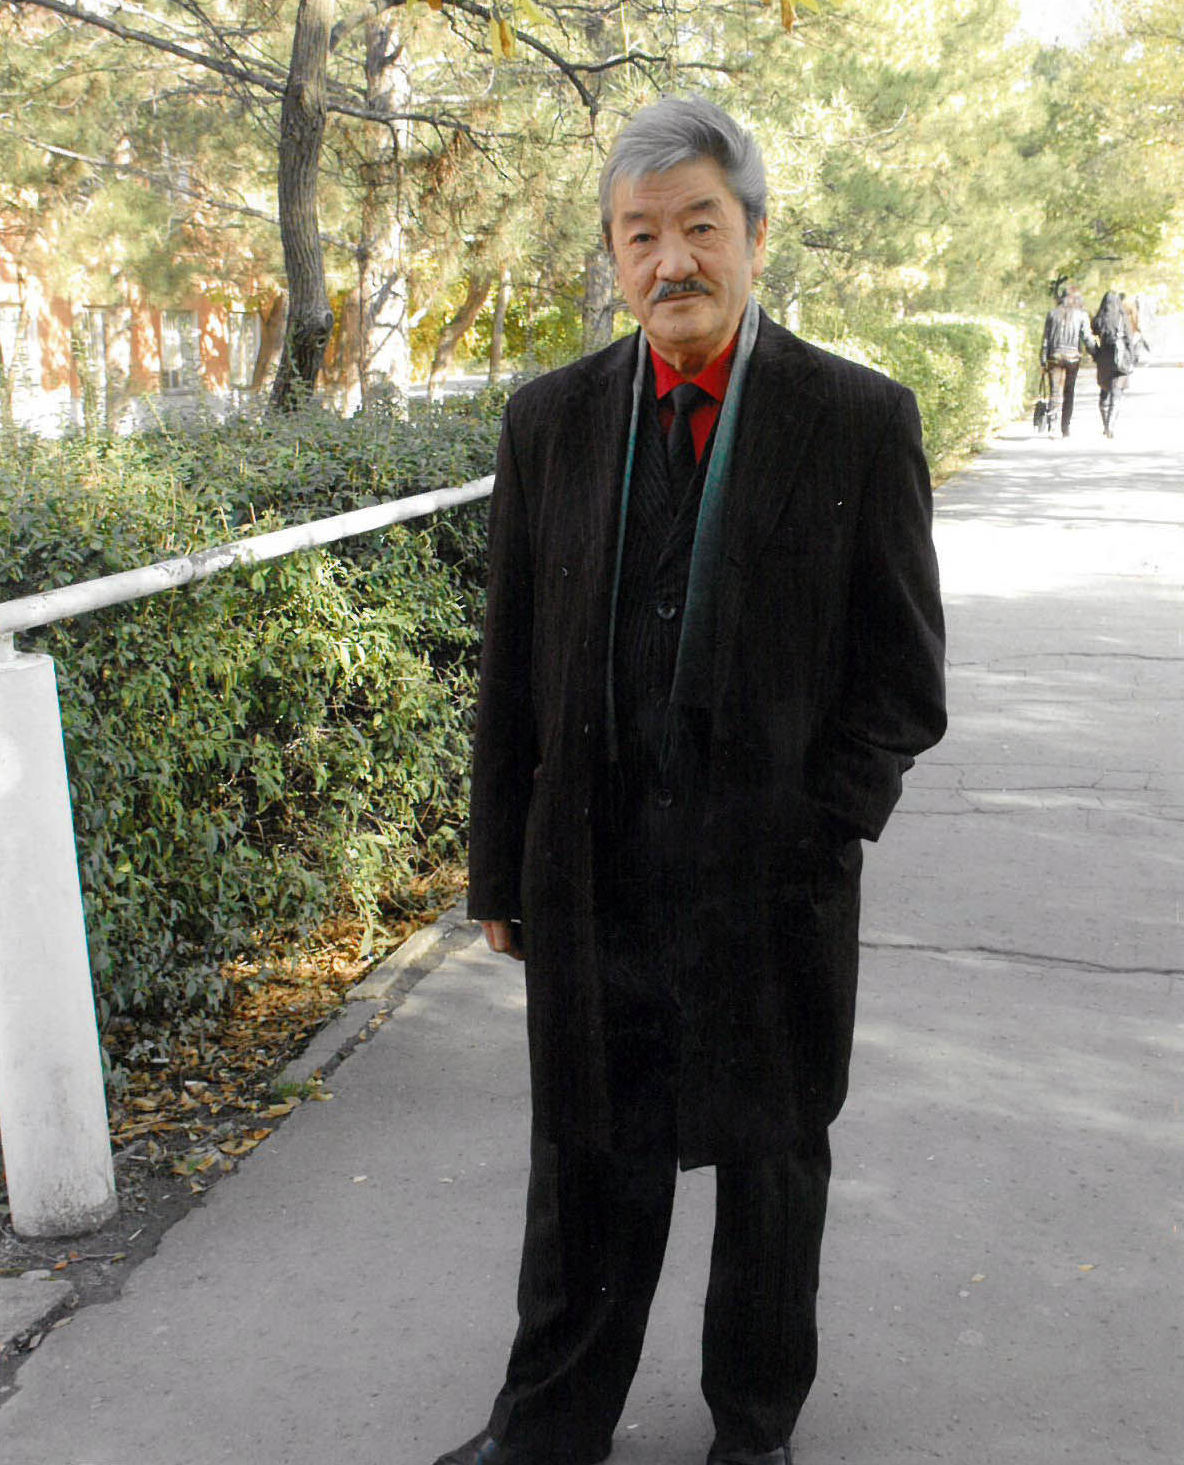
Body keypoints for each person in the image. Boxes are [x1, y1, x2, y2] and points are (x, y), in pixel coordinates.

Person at [442, 96, 947, 1465]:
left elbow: (904, 680)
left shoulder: (855, 420)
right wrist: (500, 869)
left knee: (772, 1161)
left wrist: (822, 826)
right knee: (584, 1159)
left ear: (756, 237)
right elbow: (511, 670)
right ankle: (549, 1426)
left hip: (771, 877)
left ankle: (753, 1429)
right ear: (614, 256)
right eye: (640, 235)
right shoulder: (549, 421)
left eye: (700, 227)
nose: (672, 261)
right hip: (590, 867)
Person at [1039, 285, 1095, 437]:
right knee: (1069, 392)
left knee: (1054, 391)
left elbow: (1046, 339)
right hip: (1072, 357)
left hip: (1055, 356)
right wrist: (1096, 354)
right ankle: (1065, 428)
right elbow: (1087, 337)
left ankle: (1052, 425)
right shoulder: (1081, 315)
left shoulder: (1052, 314)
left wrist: (1043, 359)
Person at [1091, 290, 1135, 438]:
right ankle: (1110, 425)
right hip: (1120, 358)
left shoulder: (1100, 319)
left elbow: (1092, 334)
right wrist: (1131, 359)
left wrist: (1095, 353)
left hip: (1104, 358)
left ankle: (1105, 424)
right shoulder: (1122, 318)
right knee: (1116, 392)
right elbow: (1129, 339)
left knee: (1104, 391)